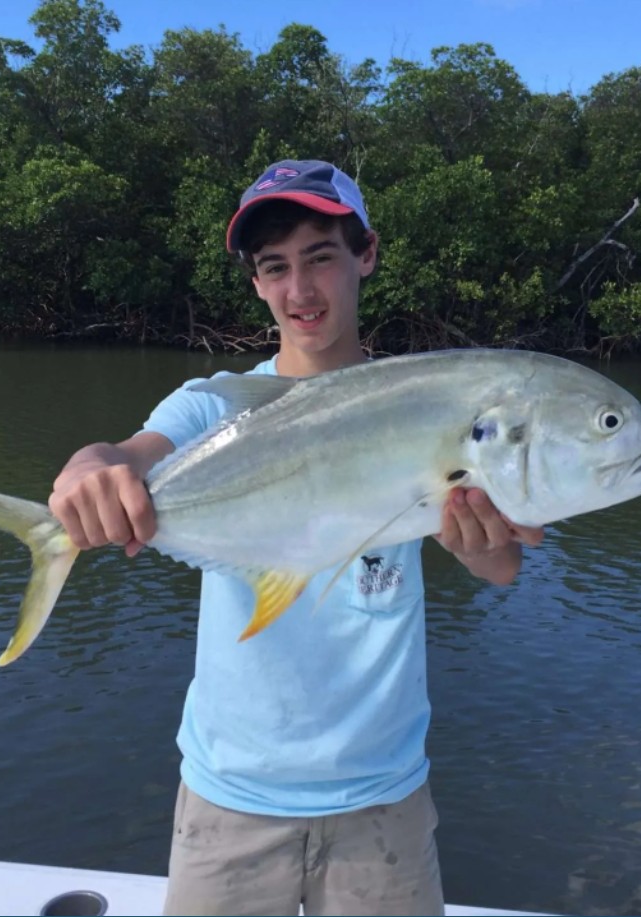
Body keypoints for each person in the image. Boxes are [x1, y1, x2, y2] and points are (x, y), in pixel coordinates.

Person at [48, 160, 544, 916]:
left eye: (320, 257)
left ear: (365, 255)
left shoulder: (422, 401)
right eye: (275, 267)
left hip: (383, 797)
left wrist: (479, 541)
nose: (299, 290)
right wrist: (88, 468)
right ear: (255, 282)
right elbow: (127, 453)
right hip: (229, 796)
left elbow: (501, 567)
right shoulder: (212, 405)